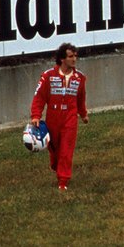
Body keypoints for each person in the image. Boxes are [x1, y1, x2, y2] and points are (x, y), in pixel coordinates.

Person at [30, 43, 89, 191]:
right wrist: (36, 116)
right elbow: (39, 97)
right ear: (62, 59)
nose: (74, 59)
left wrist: (83, 114)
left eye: (75, 56)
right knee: (54, 147)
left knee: (66, 149)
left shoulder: (79, 77)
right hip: (53, 116)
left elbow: (81, 98)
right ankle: (55, 163)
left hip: (70, 116)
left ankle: (63, 180)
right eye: (70, 56)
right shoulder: (48, 76)